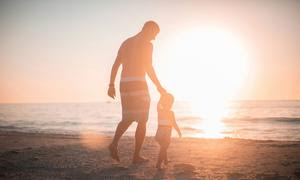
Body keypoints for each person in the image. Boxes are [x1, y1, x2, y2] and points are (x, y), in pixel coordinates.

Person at [107, 21, 166, 164]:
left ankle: (114, 143)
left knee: (128, 118)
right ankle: (136, 156)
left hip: (124, 84)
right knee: (142, 120)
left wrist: (111, 84)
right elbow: (148, 68)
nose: (154, 38)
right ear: (147, 29)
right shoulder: (147, 46)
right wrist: (159, 86)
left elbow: (116, 64)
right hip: (139, 84)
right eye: (154, 34)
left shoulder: (126, 42)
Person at [155, 93, 181, 169]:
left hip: (159, 131)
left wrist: (161, 96)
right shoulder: (171, 113)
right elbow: (174, 123)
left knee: (163, 147)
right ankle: (158, 164)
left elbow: (158, 104)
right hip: (166, 132)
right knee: (164, 147)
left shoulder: (159, 110)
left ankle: (165, 160)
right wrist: (178, 131)